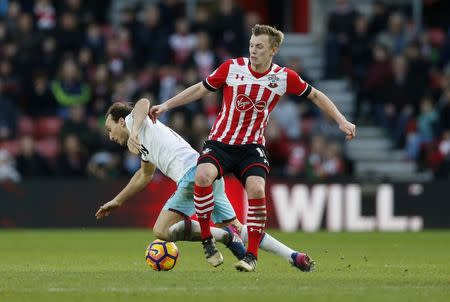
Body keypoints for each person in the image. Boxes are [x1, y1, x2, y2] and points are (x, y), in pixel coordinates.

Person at [149, 24, 356, 272]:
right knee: (203, 175)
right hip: (221, 143)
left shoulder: (283, 77)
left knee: (257, 190)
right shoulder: (232, 67)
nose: (253, 51)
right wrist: (166, 105)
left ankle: (251, 257)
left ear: (273, 50)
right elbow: (200, 88)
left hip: (252, 147)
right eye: (251, 45)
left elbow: (316, 95)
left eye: (259, 47)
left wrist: (342, 120)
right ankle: (207, 238)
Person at [96, 100, 315, 272]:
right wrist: (118, 201)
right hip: (207, 171)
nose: (109, 135)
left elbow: (143, 102)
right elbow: (144, 175)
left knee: (161, 230)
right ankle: (294, 256)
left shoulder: (136, 122)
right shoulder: (143, 141)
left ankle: (224, 237)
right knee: (240, 227)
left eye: (109, 128)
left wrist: (133, 134)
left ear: (122, 121)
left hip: (192, 175)